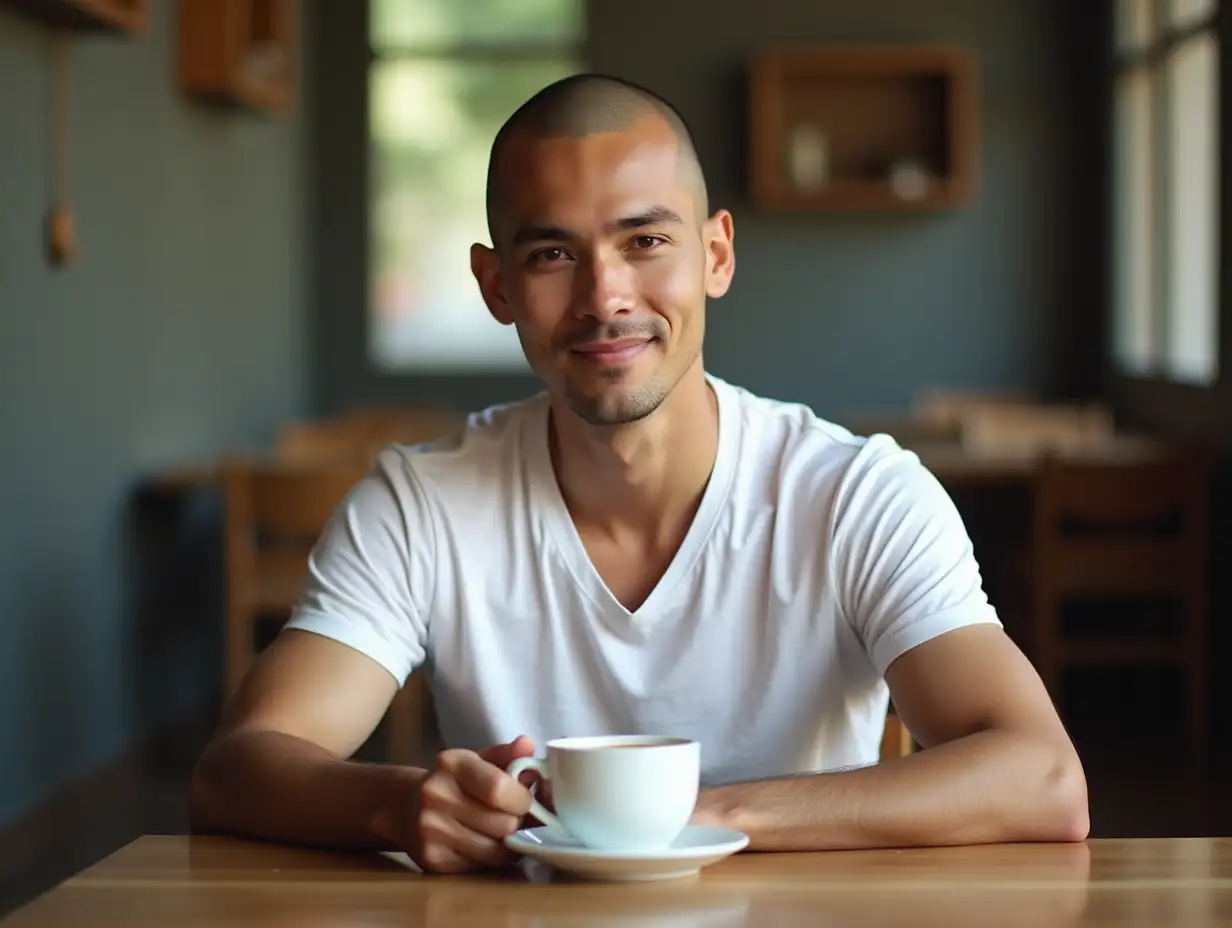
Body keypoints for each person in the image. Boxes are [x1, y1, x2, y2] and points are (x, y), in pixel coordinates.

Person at [190, 73, 1089, 874]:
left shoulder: (856, 495)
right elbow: (240, 765)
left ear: (717, 255)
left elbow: (1043, 777)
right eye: (552, 255)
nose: (605, 297)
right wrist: (397, 803)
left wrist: (685, 821)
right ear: (497, 286)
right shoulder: (420, 502)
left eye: (645, 241)